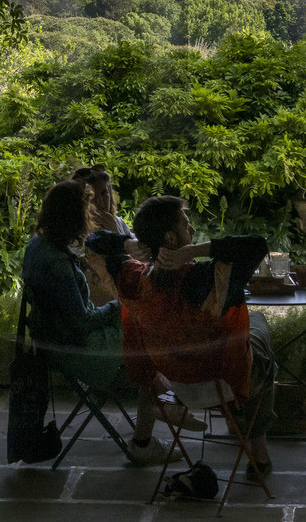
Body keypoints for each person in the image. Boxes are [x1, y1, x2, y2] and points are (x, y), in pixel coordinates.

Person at [87, 194, 275, 480]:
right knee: (259, 338)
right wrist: (196, 251)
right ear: (171, 237)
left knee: (250, 332)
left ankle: (240, 425)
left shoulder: (133, 278)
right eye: (187, 226)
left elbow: (93, 242)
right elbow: (258, 244)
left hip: (173, 382)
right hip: (219, 379)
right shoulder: (208, 279)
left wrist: (128, 245)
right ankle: (258, 452)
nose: (193, 231)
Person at [21, 179, 177, 464]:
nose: (90, 215)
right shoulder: (57, 264)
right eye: (85, 210)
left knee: (143, 336)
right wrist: (118, 307)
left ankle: (168, 404)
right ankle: (160, 419)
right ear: (73, 216)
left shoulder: (38, 246)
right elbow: (82, 322)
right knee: (148, 351)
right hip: (78, 350)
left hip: (51, 341)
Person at [69, 165, 130, 304]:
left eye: (104, 194)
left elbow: (136, 263)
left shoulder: (118, 223)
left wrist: (117, 234)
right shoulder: (74, 232)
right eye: (94, 197)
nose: (101, 203)